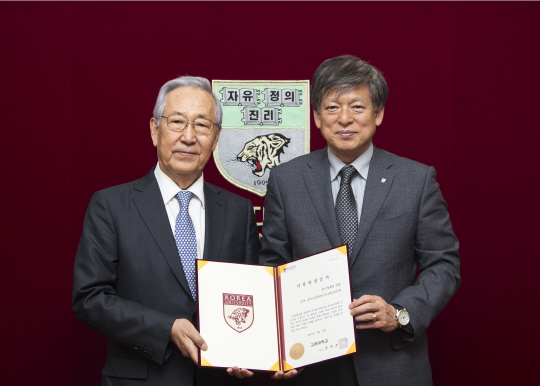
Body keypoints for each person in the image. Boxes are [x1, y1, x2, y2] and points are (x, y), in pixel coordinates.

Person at [259, 55, 461, 386]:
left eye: (357, 106)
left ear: (378, 113)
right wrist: (277, 344)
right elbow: (272, 269)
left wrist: (399, 313)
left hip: (394, 365)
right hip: (312, 367)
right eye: (332, 107)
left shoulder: (416, 179)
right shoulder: (286, 181)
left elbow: (444, 264)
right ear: (316, 116)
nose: (344, 119)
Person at [72, 76, 259, 385]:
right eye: (176, 122)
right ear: (154, 130)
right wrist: (166, 328)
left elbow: (251, 294)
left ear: (216, 138)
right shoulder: (111, 205)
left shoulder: (239, 211)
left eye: (201, 125)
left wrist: (251, 347)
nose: (188, 137)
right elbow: (89, 298)